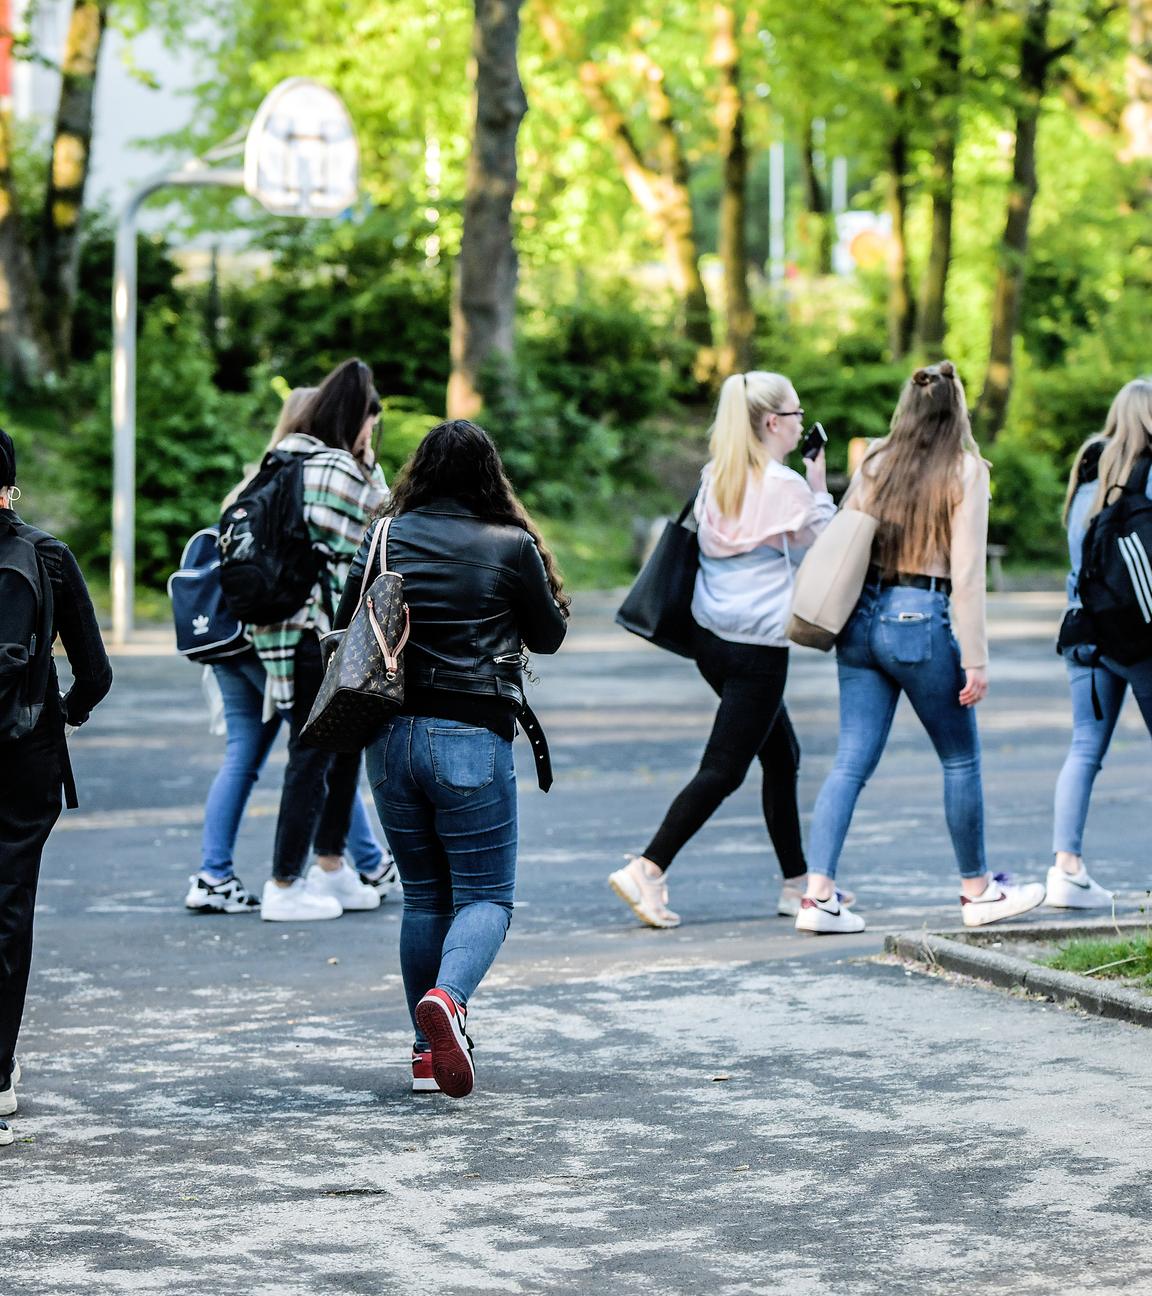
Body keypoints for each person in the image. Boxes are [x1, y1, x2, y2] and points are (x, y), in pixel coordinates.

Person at [334, 419, 568, 1098]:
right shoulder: (510, 544)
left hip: (388, 737)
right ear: (491, 476)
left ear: (421, 472)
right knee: (487, 895)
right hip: (471, 736)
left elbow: (352, 618)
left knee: (424, 897)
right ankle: (449, 1000)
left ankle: (422, 1054)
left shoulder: (384, 535)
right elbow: (548, 636)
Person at [798, 361, 1046, 934]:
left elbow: (845, 539)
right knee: (960, 758)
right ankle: (977, 891)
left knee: (850, 762)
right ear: (958, 410)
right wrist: (976, 658)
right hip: (919, 620)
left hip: (860, 621)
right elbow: (968, 573)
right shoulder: (966, 470)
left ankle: (817, 898)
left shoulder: (876, 460)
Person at [608, 371, 839, 929]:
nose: (802, 424)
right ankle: (648, 867)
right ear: (772, 422)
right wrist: (819, 482)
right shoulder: (784, 486)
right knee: (724, 768)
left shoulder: (717, 476)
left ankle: (796, 884)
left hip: (710, 640)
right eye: (796, 414)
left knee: (781, 756)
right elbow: (826, 545)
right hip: (758, 649)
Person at [184, 387, 396, 915]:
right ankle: (344, 866)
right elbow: (372, 531)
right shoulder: (325, 475)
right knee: (320, 747)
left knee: (255, 756)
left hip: (236, 638)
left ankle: (214, 873)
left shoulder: (258, 476)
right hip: (287, 637)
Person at [0, 429, 112, 1146]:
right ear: (9, 487)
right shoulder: (46, 555)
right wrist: (61, 711)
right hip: (23, 751)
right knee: (8, 908)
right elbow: (95, 673)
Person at [248, 360, 391, 922]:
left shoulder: (287, 457)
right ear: (357, 418)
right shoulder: (333, 467)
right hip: (313, 630)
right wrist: (368, 460)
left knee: (342, 744)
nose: (372, 434)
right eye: (370, 423)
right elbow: (383, 526)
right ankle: (284, 884)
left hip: (291, 630)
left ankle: (331, 867)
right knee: (312, 756)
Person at [1049, 378, 1152, 907]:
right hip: (1141, 638)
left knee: (1085, 748)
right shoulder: (1148, 476)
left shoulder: (1086, 475)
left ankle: (1065, 869)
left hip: (1086, 632)